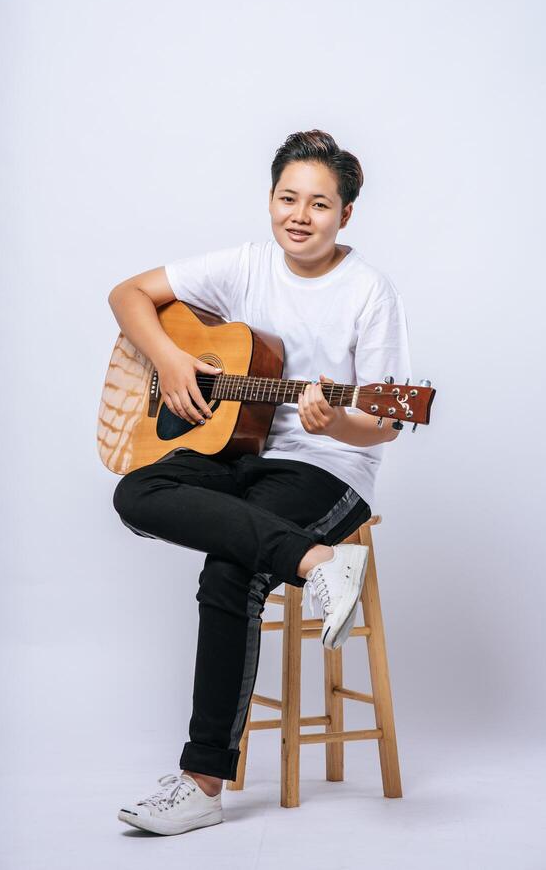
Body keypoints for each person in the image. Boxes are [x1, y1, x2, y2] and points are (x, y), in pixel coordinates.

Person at [107, 129, 412, 835]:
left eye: (320, 204)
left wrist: (333, 423)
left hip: (326, 466)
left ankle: (201, 782)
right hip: (234, 452)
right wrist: (173, 363)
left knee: (229, 569)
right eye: (287, 198)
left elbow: (387, 423)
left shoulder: (369, 292)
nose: (299, 216)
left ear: (346, 215)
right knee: (135, 491)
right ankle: (317, 564)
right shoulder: (242, 267)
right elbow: (128, 295)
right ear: (270, 199)